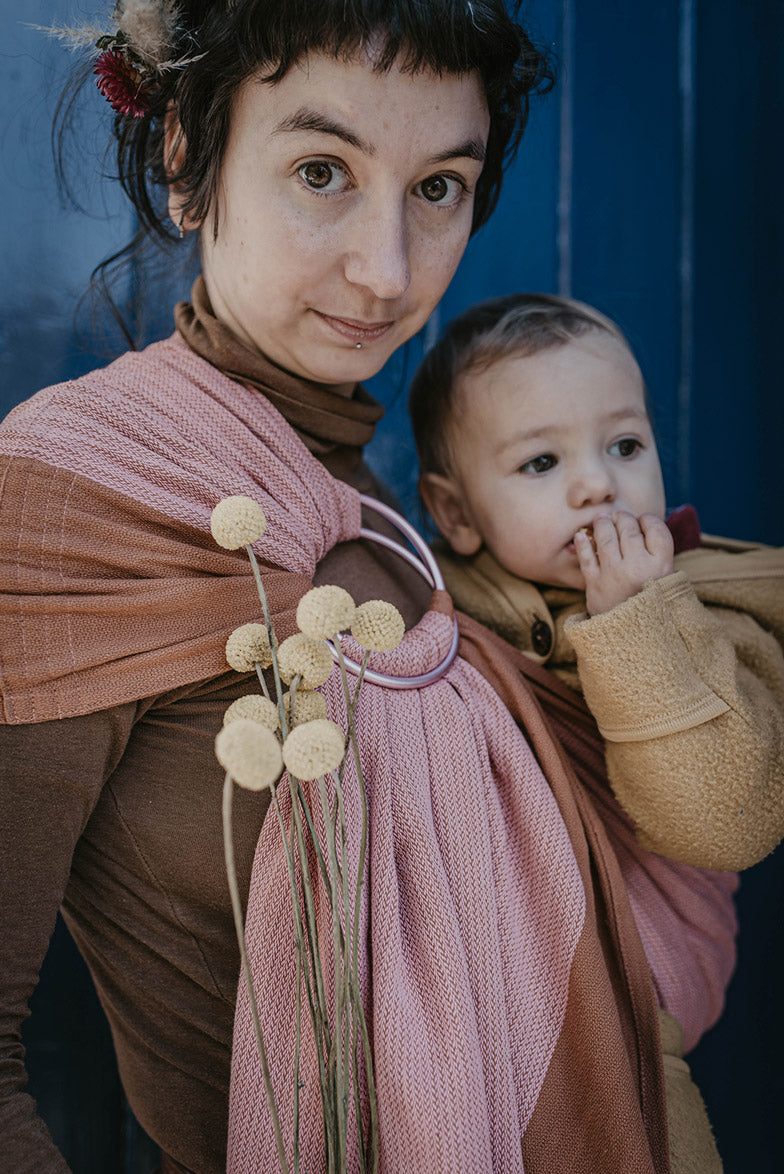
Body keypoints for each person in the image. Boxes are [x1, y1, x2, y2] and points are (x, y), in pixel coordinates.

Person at [0, 4, 740, 1172]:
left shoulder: (398, 525)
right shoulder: (77, 502)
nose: (387, 270)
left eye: (438, 186)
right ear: (190, 167)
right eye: (320, 170)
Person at [409, 292, 784, 872]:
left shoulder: (721, 608)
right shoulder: (423, 596)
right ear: (455, 513)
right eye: (541, 462)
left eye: (625, 446)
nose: (598, 483)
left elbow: (724, 828)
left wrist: (635, 619)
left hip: (645, 935)